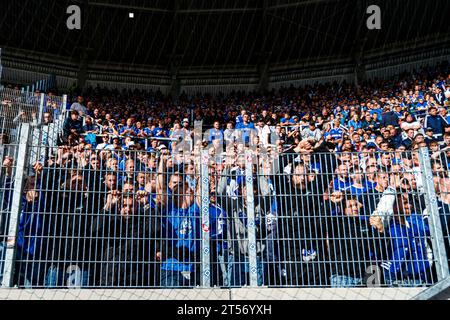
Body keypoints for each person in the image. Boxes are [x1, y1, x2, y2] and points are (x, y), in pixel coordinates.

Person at [382, 194, 433, 286]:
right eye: (405, 203)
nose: (410, 206)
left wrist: (426, 266)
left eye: (409, 203)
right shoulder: (389, 229)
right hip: (396, 279)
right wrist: (390, 272)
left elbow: (423, 248)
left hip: (420, 278)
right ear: (394, 207)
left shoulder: (414, 226)